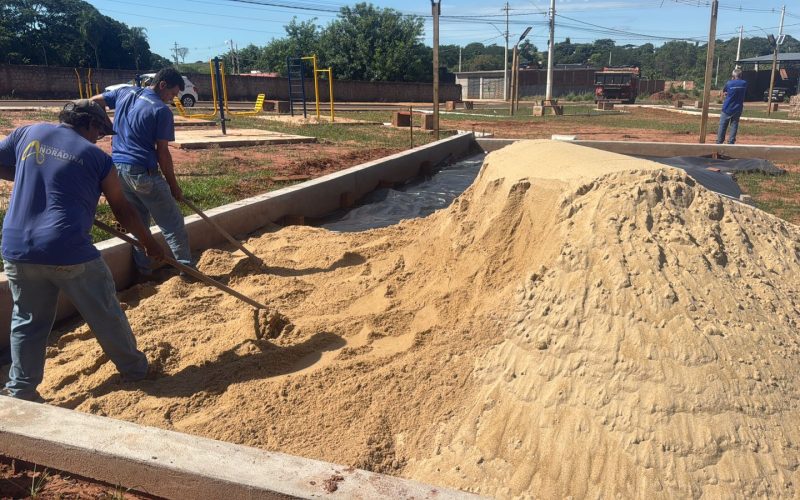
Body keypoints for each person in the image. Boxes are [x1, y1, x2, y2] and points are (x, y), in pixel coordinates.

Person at [0, 100, 165, 402]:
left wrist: (34, 174)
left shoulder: (27, 133)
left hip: (16, 248)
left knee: (28, 321)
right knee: (105, 312)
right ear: (90, 124)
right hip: (68, 248)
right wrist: (149, 242)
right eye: (100, 132)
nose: (99, 138)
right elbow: (123, 210)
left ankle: (21, 390)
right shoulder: (96, 159)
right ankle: (136, 370)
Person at [91, 67, 193, 280]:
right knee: (172, 223)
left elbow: (92, 102)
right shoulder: (160, 110)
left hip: (118, 170)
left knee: (139, 226)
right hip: (142, 173)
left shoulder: (125, 92)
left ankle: (143, 273)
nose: (171, 100)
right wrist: (174, 186)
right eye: (172, 94)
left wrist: (108, 126)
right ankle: (188, 271)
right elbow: (163, 153)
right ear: (162, 85)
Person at [716, 68, 748, 145]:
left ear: (733, 76)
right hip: (738, 108)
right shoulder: (744, 83)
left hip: (727, 107)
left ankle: (719, 142)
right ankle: (731, 142)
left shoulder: (729, 83)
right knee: (734, 125)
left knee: (723, 125)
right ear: (740, 75)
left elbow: (725, 91)